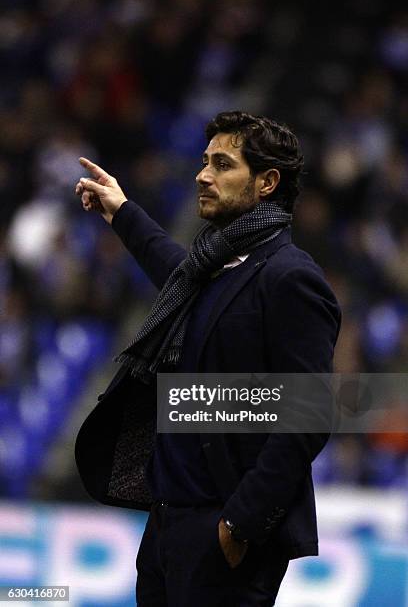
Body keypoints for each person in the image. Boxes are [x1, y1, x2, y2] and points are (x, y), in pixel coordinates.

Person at [75, 111, 341, 606]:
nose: (202, 174)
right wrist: (121, 211)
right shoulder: (213, 271)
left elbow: (308, 414)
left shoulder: (289, 278)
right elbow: (175, 269)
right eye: (204, 162)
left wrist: (239, 524)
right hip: (168, 522)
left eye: (222, 164)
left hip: (223, 532)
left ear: (267, 183)